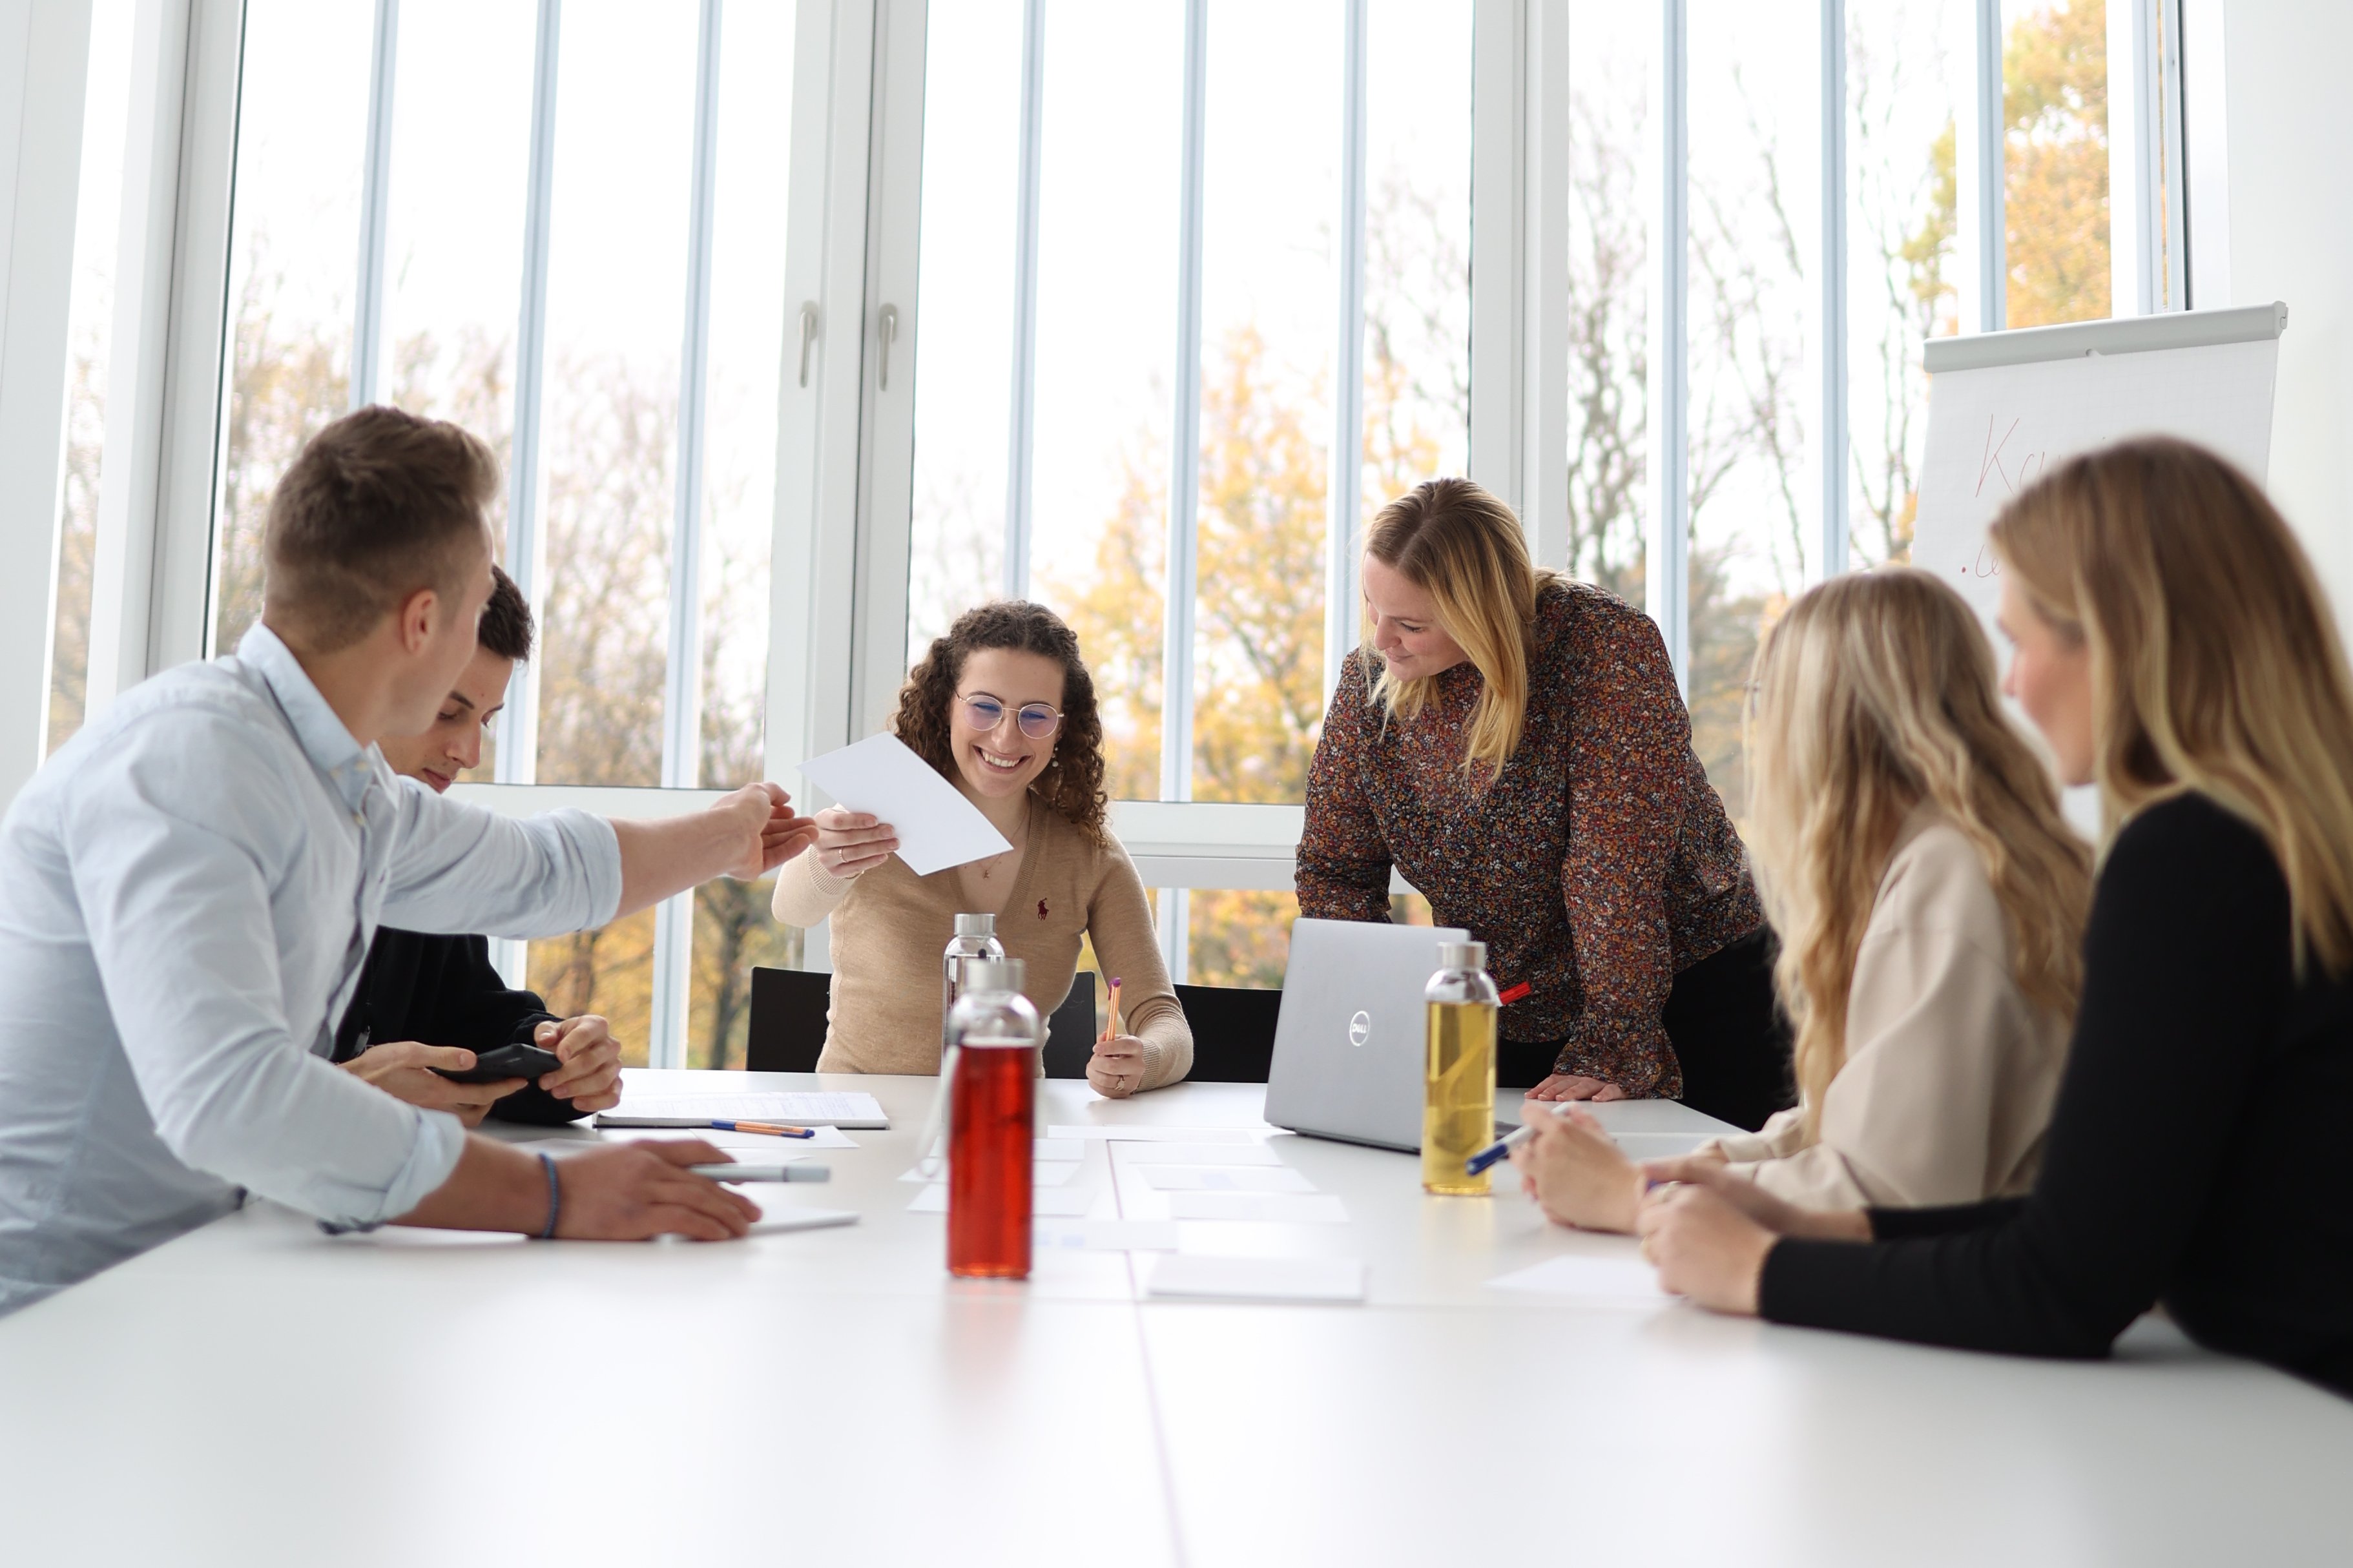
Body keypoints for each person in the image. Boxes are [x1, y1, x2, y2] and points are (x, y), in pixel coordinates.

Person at [0, 406, 819, 1316]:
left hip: (180, 1279)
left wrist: (728, 833)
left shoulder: (334, 781)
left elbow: (540, 871)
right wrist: (558, 1194)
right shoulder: (190, 762)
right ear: (424, 622)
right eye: (476, 606)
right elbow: (234, 1100)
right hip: (48, 1319)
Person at [1637, 438, 2353, 1396]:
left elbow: (2062, 1287)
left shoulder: (2191, 855)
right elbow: (2089, 1225)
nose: (2008, 688)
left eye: (2021, 644)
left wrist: (1761, 1272)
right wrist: (1814, 1227)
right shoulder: (2278, 838)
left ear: (2121, 639)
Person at [1515, 568, 2091, 1231]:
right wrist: (1676, 1173)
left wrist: (1629, 1199)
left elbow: (1884, 1190)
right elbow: (1838, 1125)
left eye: (1769, 699)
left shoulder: (1944, 883)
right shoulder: (1944, 852)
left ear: (1815, 716)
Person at [1295, 477, 1780, 1122]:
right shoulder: (1372, 682)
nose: (1381, 640)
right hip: (1514, 1002)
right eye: (1371, 606)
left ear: (1481, 614)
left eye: (1410, 624)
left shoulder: (1603, 646)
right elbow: (1335, 872)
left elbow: (1612, 871)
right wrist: (1381, 1021)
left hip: (1687, 986)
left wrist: (1616, 1036)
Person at [771, 601, 1192, 1096]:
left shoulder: (1090, 857)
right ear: (945, 705)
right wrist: (829, 859)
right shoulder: (876, 812)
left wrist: (1145, 1059)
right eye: (985, 707)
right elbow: (790, 911)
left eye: (1035, 716)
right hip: (865, 1118)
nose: (1006, 737)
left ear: (1062, 728)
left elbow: (1162, 1017)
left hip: (1008, 1120)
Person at [334, 565, 623, 1128]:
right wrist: (344, 1094)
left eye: (485, 722)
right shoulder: (244, 834)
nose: (469, 753)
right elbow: (193, 1088)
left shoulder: (428, 848)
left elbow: (466, 1021)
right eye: (446, 712)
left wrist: (556, 1055)